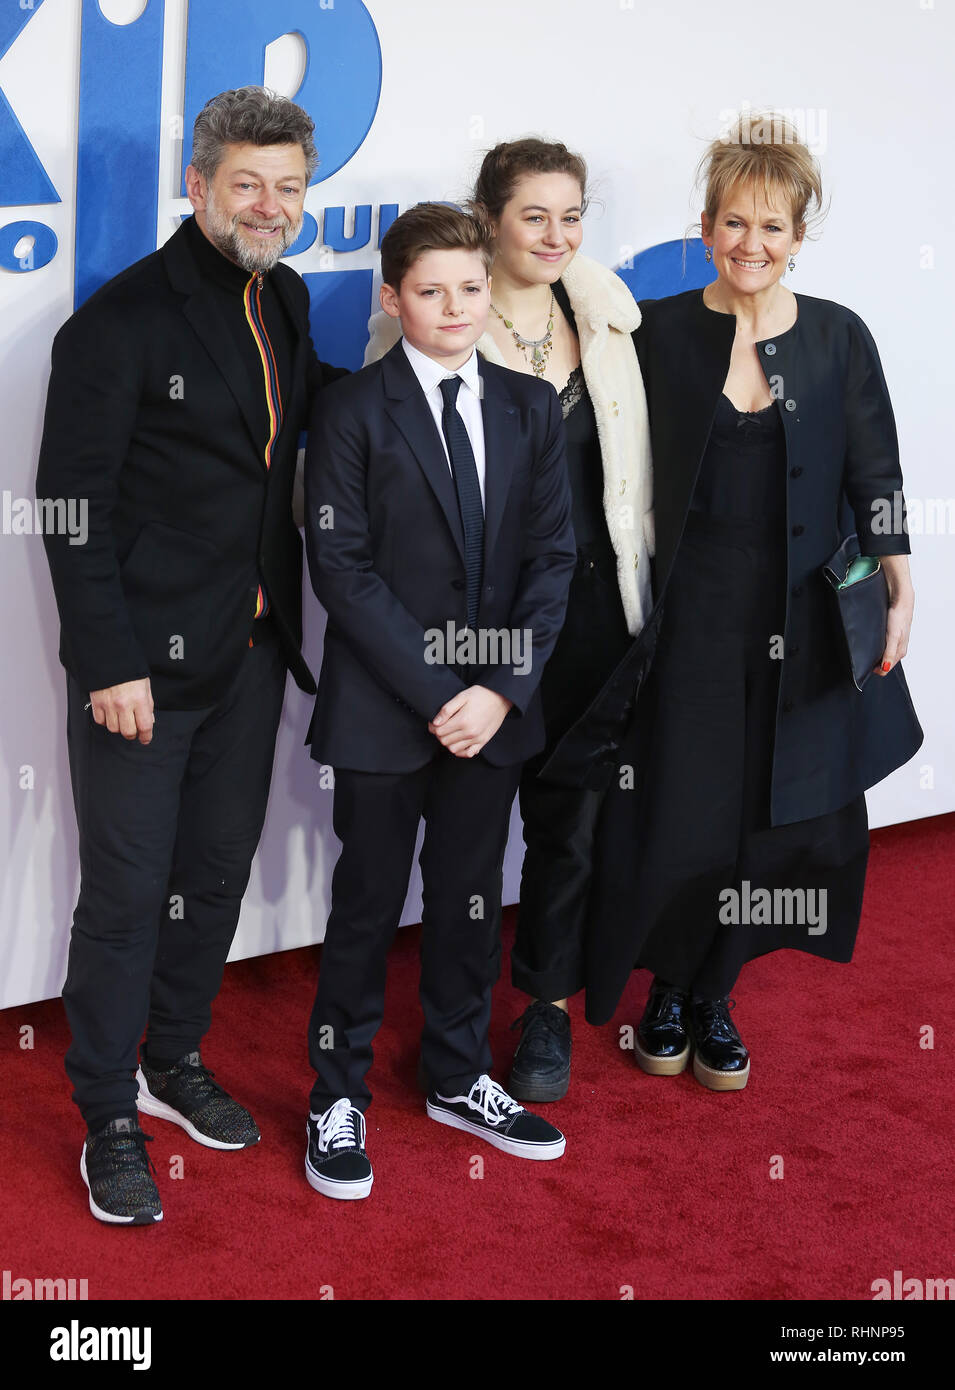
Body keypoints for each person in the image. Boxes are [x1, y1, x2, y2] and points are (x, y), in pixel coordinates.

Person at [543, 111, 923, 1089]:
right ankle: (665, 983)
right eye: (733, 224)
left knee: (776, 813)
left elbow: (875, 471)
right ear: (705, 226)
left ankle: (715, 995)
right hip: (690, 620)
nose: (751, 245)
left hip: (803, 621)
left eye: (772, 228)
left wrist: (899, 581)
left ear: (800, 236)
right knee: (681, 807)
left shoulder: (840, 339)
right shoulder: (660, 331)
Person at [35, 86, 348, 1224]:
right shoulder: (119, 324)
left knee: (210, 876)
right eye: (248, 185)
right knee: (124, 896)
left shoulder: (290, 297)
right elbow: (69, 506)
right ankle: (108, 1112)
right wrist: (109, 662)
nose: (269, 206)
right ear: (198, 184)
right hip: (141, 673)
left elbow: (301, 429)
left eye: (289, 190)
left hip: (253, 648)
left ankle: (174, 1059)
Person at [364, 139, 653, 1101]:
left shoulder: (609, 316)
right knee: (467, 837)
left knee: (572, 826)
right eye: (535, 215)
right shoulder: (434, 319)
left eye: (572, 216)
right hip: (468, 639)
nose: (556, 235)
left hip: (589, 617)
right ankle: (438, 1040)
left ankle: (544, 1012)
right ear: (489, 218)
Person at [302, 203, 576, 1199]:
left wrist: (497, 692)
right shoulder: (350, 412)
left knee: (469, 905)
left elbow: (554, 559)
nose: (454, 306)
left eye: (470, 287)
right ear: (393, 297)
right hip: (385, 711)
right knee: (366, 907)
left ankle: (458, 1075)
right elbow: (340, 566)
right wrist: (438, 692)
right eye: (430, 290)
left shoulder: (530, 406)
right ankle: (336, 1092)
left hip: (494, 716)